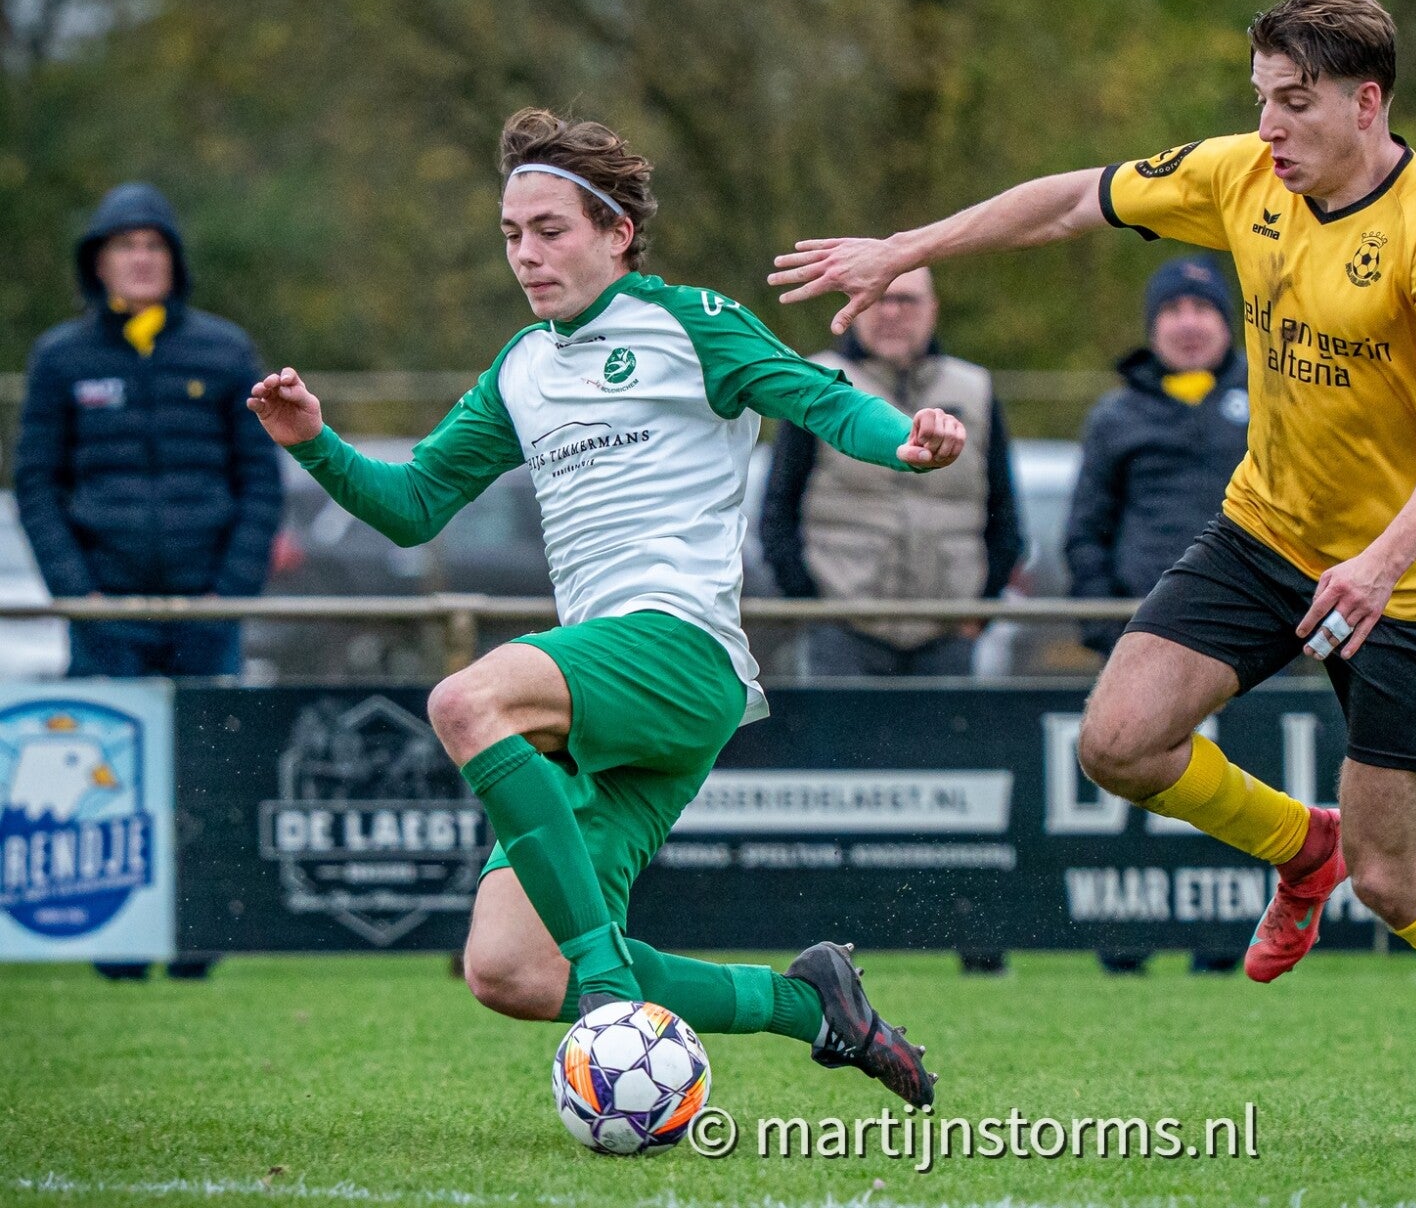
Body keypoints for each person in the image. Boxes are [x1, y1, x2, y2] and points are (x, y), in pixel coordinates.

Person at [771, 0, 1416, 1143]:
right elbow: (1074, 200)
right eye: (1261, 97)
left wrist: (1377, 562)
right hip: (1267, 532)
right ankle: (1298, 843)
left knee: (1393, 877)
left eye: (1295, 102)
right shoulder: (1243, 175)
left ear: (1367, 103)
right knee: (1117, 740)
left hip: (1411, 578)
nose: (1268, 126)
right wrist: (909, 245)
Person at [247, 108, 957, 1110]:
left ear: (617, 232)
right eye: (511, 235)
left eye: (550, 230)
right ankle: (811, 1006)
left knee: (466, 702)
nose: (526, 255)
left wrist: (902, 440)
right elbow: (412, 508)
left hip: (678, 649)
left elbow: (820, 397)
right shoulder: (521, 367)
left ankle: (613, 995)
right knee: (511, 971)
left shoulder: (690, 322)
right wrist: (315, 444)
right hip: (603, 689)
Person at [15, 181, 283, 983]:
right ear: (97, 263)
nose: (141, 258)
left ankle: (201, 939)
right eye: (124, 245)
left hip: (207, 609)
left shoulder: (225, 351)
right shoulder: (60, 359)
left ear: (174, 261)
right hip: (104, 614)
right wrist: (78, 592)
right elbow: (36, 484)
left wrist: (230, 589)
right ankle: (119, 949)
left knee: (207, 776)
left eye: (154, 245)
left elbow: (260, 481)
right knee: (110, 778)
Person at [1066, 254, 1249, 977]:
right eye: (1173, 310)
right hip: (1144, 639)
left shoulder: (1271, 400)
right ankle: (1124, 938)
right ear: (1153, 326)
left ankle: (1227, 937)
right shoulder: (1115, 417)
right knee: (1128, 782)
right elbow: (1086, 531)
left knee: (1236, 788)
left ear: (1227, 323)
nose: (1188, 323)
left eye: (1203, 309)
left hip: (1248, 638)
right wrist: (1103, 627)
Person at [759, 266, 1022, 678]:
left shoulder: (976, 389)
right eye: (879, 298)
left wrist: (982, 608)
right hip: (842, 630)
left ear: (933, 309)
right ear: (854, 306)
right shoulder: (816, 384)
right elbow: (778, 508)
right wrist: (808, 603)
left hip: (949, 632)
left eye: (907, 299)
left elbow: (1004, 511)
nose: (892, 312)